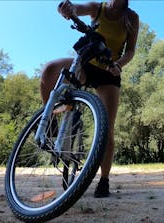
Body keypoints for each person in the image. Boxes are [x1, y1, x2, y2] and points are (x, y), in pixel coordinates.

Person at [40, 0, 139, 198]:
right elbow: (76, 9)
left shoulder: (131, 18)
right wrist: (67, 9)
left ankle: (104, 180)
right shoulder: (97, 7)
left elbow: (130, 50)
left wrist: (119, 65)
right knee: (50, 69)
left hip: (109, 72)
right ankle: (49, 119)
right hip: (85, 65)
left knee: (106, 128)